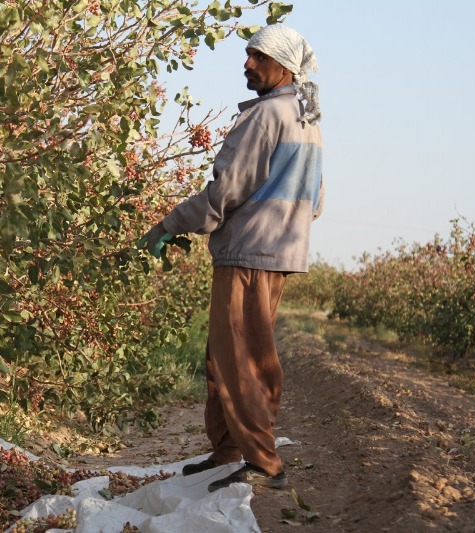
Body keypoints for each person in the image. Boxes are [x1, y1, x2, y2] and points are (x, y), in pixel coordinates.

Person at [139, 24, 324, 491]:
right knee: (224, 354)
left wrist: (169, 224)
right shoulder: (307, 118)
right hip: (275, 251)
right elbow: (317, 201)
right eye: (248, 55)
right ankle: (227, 451)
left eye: (258, 57)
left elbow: (226, 190)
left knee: (241, 356)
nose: (247, 64)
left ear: (283, 66)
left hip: (249, 254)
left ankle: (262, 461)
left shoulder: (266, 117)